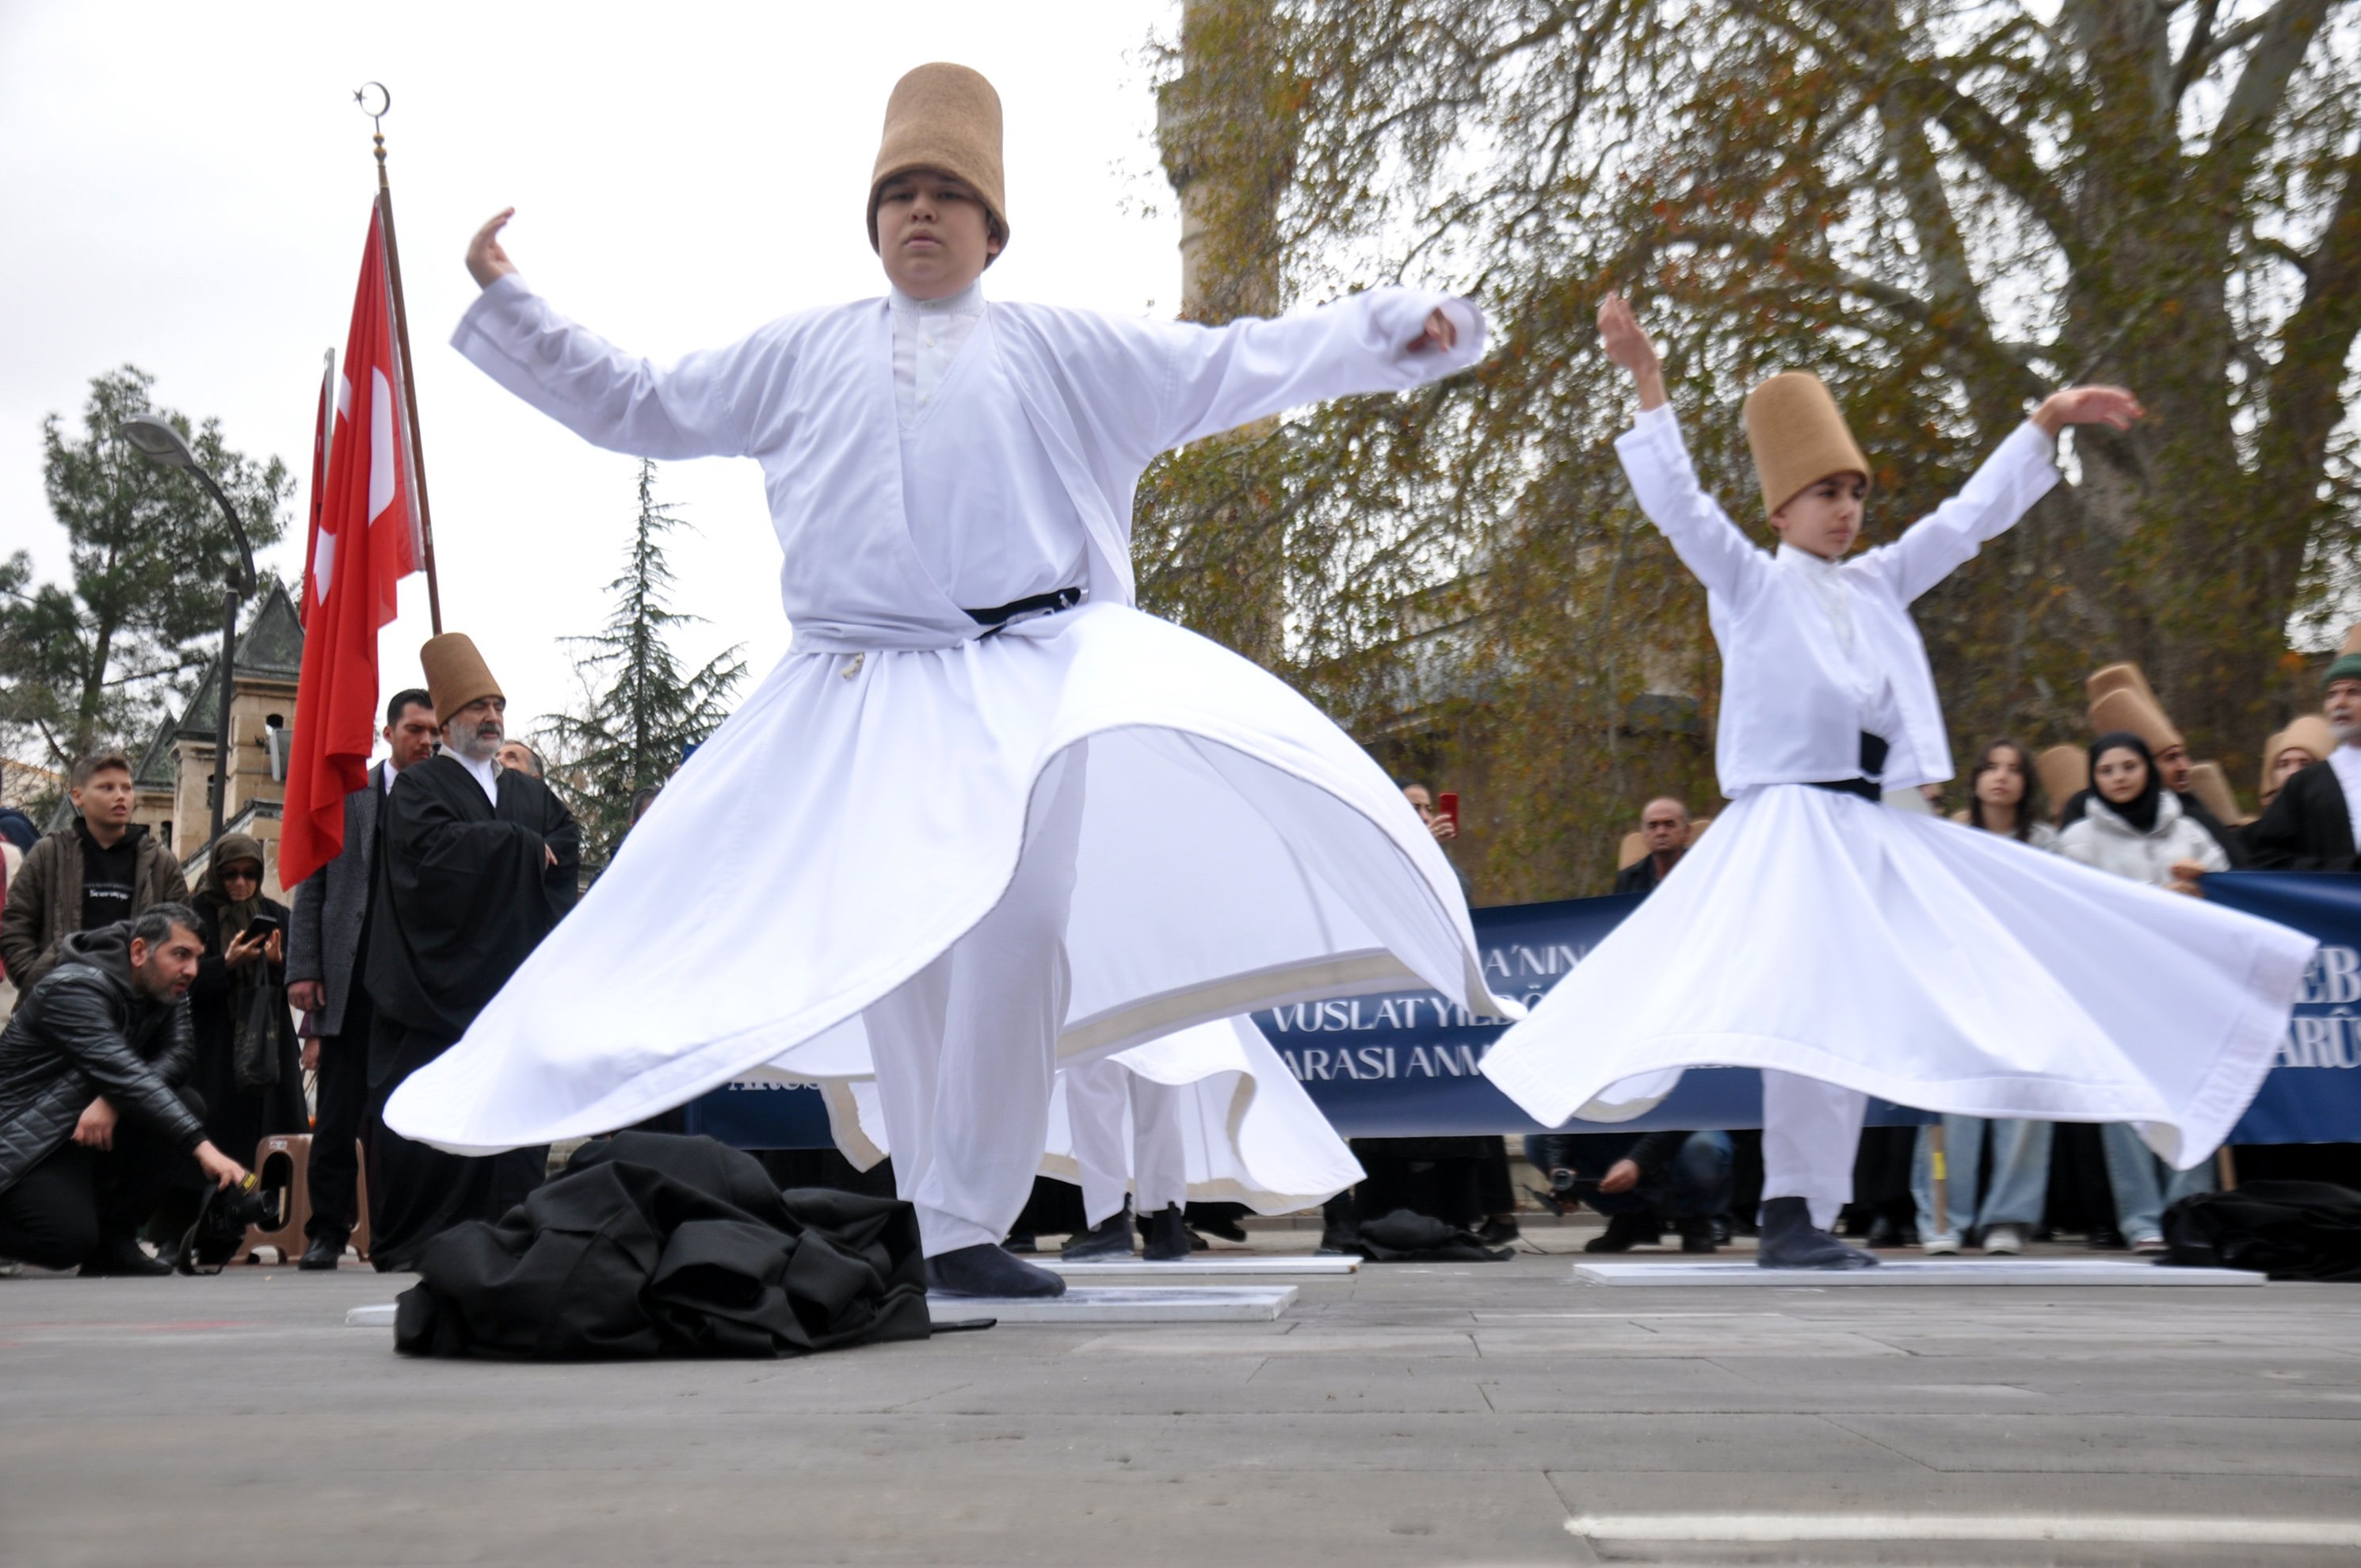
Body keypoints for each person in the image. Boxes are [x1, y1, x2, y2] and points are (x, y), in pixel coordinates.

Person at [399, 63, 1507, 1299]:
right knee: (905, 951)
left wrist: (1383, 335)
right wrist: (513, 305)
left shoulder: (1065, 348)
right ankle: (946, 1224)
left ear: (991, 225)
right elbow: (643, 402)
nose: (921, 214)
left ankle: (971, 1210)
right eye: (901, 195)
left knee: (1018, 936)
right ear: (874, 220)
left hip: (1030, 684)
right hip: (858, 687)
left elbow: (1231, 363)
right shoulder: (801, 351)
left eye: (947, 195)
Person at [1481, 292, 2313, 1271]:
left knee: (1959, 960)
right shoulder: (1749, 586)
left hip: (1866, 826)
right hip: (1785, 824)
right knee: (1794, 1013)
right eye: (1825, 493)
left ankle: (1809, 1211)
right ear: (1781, 507)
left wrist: (2041, 423)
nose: (1845, 510)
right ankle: (1787, 1209)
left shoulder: (1877, 583)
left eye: (1855, 493)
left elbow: (1965, 522)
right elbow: (1681, 508)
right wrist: (1646, 380)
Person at [365, 636, 581, 1271]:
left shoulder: (528, 792)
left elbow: (563, 845)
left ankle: (509, 1230)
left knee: (511, 1125)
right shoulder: (419, 787)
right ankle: (419, 1240)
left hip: (510, 983)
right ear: (449, 720)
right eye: (477, 706)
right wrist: (516, 846)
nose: (491, 717)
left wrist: (518, 844)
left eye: (497, 706)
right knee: (430, 1120)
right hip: (434, 991)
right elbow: (428, 863)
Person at [0, 907, 249, 1274]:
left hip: (80, 1134)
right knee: (65, 1241)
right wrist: (206, 1151)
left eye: (197, 957)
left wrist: (113, 1099)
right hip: (26, 1145)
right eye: (180, 954)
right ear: (138, 952)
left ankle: (114, 1242)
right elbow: (120, 1068)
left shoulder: (165, 988)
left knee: (187, 1101)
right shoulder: (72, 988)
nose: (193, 971)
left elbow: (179, 1057)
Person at [2057, 730, 2230, 1251]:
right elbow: (2071, 911)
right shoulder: (2077, 840)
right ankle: (2141, 1219)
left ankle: (2187, 1209)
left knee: (2192, 1096)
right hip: (2117, 988)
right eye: (2107, 770)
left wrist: (2199, 886)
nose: (2119, 777)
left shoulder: (2191, 831)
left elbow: (2226, 887)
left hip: (2186, 986)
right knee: (2129, 1103)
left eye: (2129, 765)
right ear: (2095, 778)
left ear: (2147, 769)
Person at [285, 689, 440, 1269]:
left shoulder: (449, 798)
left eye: (433, 731)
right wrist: (303, 969)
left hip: (413, 988)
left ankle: (402, 1231)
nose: (426, 741)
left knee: (404, 1116)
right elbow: (313, 886)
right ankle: (328, 1228)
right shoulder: (349, 795)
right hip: (350, 984)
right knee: (338, 1116)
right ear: (388, 733)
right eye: (415, 730)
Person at [1912, 740, 2057, 1255]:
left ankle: (2008, 1218)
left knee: (2025, 1104)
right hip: (1960, 988)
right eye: (1991, 767)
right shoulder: (1948, 838)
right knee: (1953, 1104)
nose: (2002, 777)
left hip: (2025, 989)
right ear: (1974, 779)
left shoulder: (2046, 843)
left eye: (2015, 769)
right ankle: (1944, 1214)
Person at [168, 834, 304, 1258]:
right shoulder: (195, 916)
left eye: (249, 874)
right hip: (213, 1045)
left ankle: (247, 1220)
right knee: (207, 1130)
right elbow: (178, 980)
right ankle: (189, 1227)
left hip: (264, 1043)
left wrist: (280, 965)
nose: (241, 884)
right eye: (230, 875)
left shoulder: (274, 914)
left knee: (264, 1135)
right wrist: (225, 965)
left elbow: (303, 979)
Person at [1, 753, 189, 995]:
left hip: (136, 1009)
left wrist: (156, 988)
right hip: (60, 1004)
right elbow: (16, 924)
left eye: (126, 788)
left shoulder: (160, 863)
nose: (120, 796)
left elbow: (183, 932)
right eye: (107, 788)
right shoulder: (49, 854)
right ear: (77, 797)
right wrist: (38, 982)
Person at [2248, 647, 2361, 872]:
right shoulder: (2306, 784)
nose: (2339, 703)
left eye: (2353, 692)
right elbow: (2265, 856)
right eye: (2332, 694)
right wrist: (2343, 870)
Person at [1529, 1129, 1730, 1252]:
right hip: (1620, 1130)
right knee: (1537, 1141)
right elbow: (1566, 1107)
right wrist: (1560, 1167)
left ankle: (1694, 1216)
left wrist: (1637, 1161)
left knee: (1704, 1150)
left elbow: (1682, 1110)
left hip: (1685, 1127)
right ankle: (1631, 1215)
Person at [1613, 797, 1691, 896]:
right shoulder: (1628, 880)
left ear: (1687, 832)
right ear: (1644, 834)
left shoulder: (1706, 872)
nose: (1661, 832)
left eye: (1669, 824)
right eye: (1653, 826)